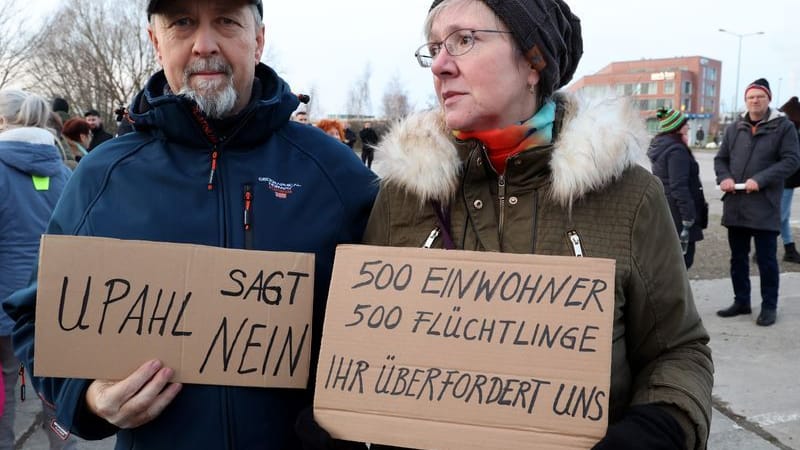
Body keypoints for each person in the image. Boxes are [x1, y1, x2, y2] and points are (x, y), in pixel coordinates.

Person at [2, 1, 377, 449]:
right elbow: (36, 317)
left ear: (257, 39)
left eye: (226, 21)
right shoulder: (104, 175)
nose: (204, 44)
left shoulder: (335, 172)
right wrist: (87, 396)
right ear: (156, 43)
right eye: (182, 23)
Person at [357, 1, 713, 449]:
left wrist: (661, 425)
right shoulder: (402, 194)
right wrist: (341, 417)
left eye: (463, 40)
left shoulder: (628, 195)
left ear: (533, 61)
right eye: (434, 48)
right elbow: (367, 348)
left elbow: (679, 350)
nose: (441, 66)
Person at [0, 89, 75, 450]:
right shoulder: (63, 172)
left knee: (4, 392)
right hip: (52, 304)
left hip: (3, 306)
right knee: (52, 395)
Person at [714, 78, 800, 326]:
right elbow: (721, 160)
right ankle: (741, 301)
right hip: (736, 205)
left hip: (765, 206)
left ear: (769, 99)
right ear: (746, 100)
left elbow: (791, 161)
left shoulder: (783, 127)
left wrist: (760, 180)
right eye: (751, 97)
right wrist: (725, 177)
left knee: (766, 260)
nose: (755, 101)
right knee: (737, 258)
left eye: (759, 97)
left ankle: (769, 306)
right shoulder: (734, 128)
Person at [648, 108, 708, 269]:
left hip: (668, 210)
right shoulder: (676, 150)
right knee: (681, 263)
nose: (688, 127)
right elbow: (678, 186)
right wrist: (688, 217)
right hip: (678, 215)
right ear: (677, 128)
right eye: (685, 124)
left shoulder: (661, 146)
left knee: (669, 263)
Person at [778, 96, 800, 263]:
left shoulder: (788, 127)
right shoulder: (791, 129)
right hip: (786, 178)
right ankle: (761, 249)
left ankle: (790, 249)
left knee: (783, 216)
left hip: (787, 179)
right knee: (781, 216)